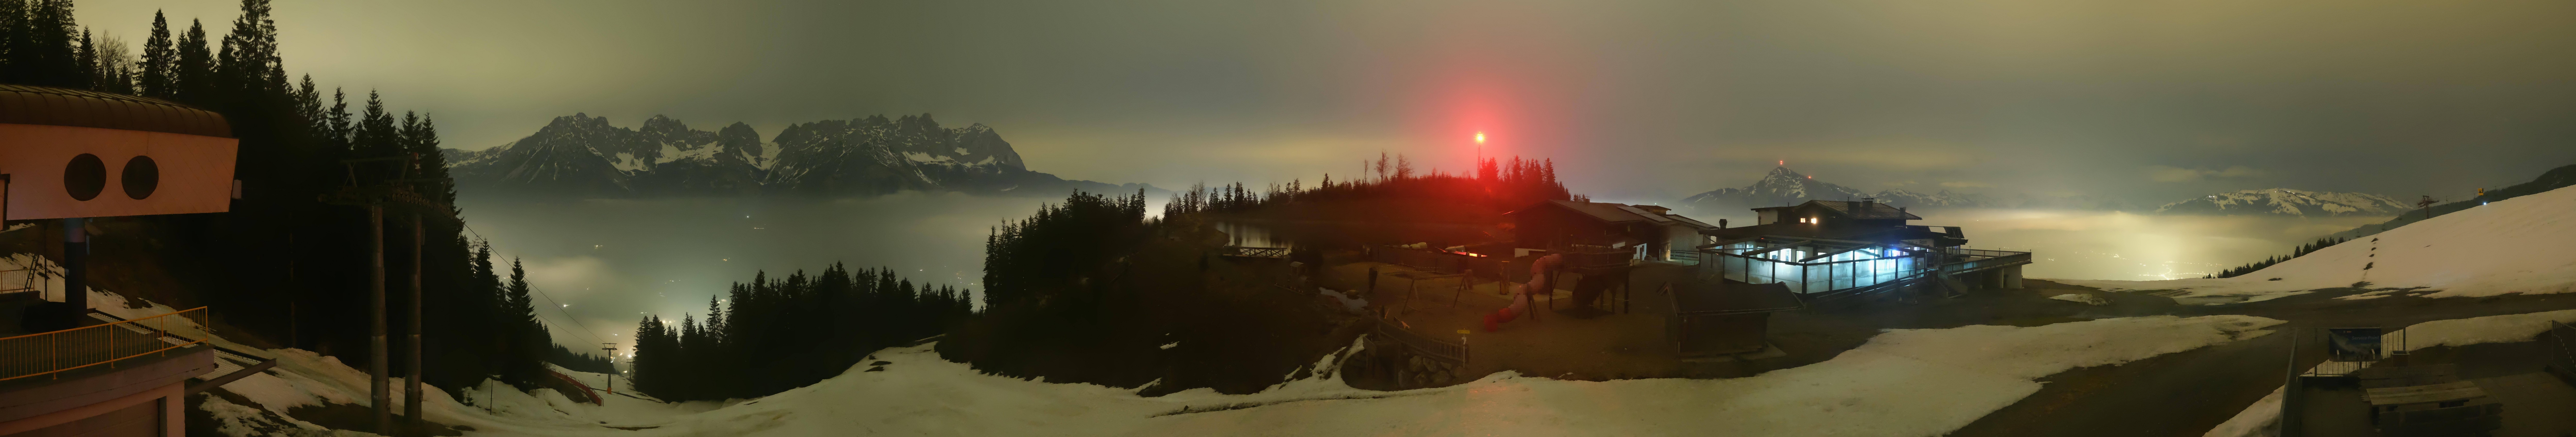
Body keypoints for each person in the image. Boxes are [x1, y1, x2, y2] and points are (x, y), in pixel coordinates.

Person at [1486, 252, 1562, 332]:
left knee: (1521, 295)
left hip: (1526, 289)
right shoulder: (1540, 266)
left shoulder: (1539, 266)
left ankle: (1498, 317)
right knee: (1521, 296)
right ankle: (1498, 317)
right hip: (1527, 288)